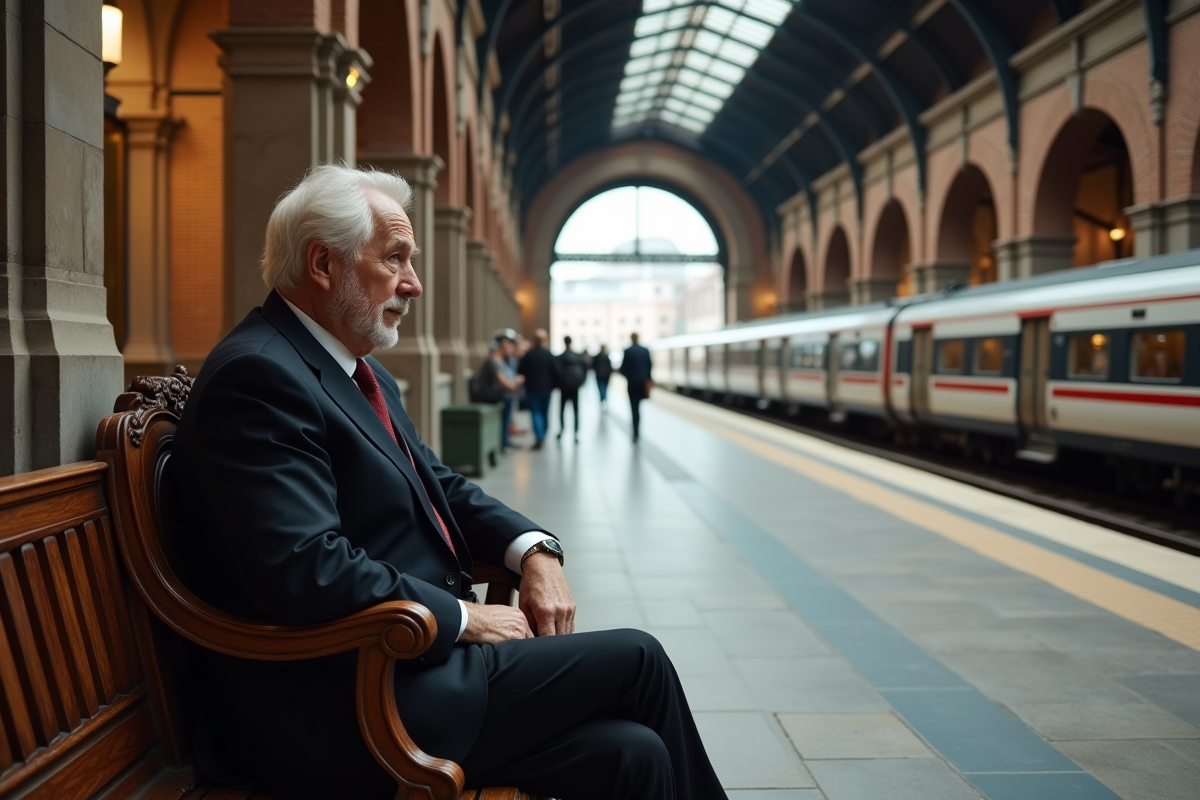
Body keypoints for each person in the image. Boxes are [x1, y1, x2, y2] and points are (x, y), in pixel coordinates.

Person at [166, 165, 726, 800]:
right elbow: (304, 567)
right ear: (323, 263)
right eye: (395, 258)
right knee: (639, 659)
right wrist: (465, 617)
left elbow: (439, 484)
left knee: (634, 755)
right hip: (333, 700)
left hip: (400, 668)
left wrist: (535, 549)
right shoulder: (261, 376)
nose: (414, 283)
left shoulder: (351, 370)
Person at [474, 332, 524, 449]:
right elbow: (504, 382)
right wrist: (516, 383)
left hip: (498, 395)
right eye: (508, 345)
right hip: (490, 397)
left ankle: (506, 439)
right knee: (507, 399)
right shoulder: (493, 361)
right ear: (501, 346)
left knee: (509, 399)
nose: (511, 348)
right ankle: (503, 441)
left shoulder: (502, 360)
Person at [518, 329, 558, 451]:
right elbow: (556, 372)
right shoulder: (549, 355)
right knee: (544, 413)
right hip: (546, 389)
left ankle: (539, 437)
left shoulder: (529, 355)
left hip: (533, 389)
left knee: (536, 413)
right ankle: (542, 436)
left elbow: (521, 371)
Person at [620, 332, 653, 443]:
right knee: (638, 408)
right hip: (642, 383)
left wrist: (629, 376)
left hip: (632, 383)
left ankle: (635, 432)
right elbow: (649, 366)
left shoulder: (627, 351)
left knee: (633, 408)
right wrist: (648, 379)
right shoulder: (645, 350)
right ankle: (637, 431)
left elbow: (623, 369)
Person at [556, 335, 587, 442]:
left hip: (564, 387)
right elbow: (584, 369)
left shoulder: (561, 357)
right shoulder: (577, 356)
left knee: (562, 410)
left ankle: (562, 430)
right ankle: (575, 433)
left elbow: (556, 372)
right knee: (576, 411)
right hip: (575, 387)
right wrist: (581, 382)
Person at [592, 344, 613, 408]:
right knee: (603, 388)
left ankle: (603, 399)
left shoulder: (602, 357)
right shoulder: (605, 357)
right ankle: (603, 399)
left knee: (602, 388)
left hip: (602, 375)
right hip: (603, 375)